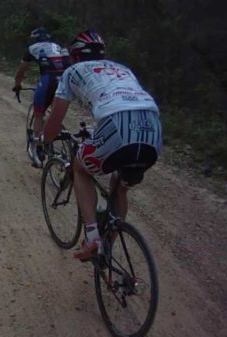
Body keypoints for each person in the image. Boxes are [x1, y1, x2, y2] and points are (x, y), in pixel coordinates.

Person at [41, 30, 162, 260]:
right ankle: (108, 246)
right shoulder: (122, 69)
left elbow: (55, 121)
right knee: (120, 186)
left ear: (74, 56)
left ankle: (93, 238)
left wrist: (44, 141)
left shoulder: (72, 71)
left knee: (80, 168)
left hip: (117, 125)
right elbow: (125, 101)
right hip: (154, 130)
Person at [13, 27, 70, 168]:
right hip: (65, 81)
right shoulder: (58, 46)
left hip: (48, 80)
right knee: (55, 114)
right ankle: (62, 140)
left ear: (35, 38)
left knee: (39, 114)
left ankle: (39, 149)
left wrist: (17, 84)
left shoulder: (33, 48)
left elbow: (21, 70)